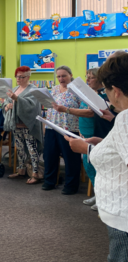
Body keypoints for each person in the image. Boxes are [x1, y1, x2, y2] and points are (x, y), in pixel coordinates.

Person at [64, 53, 128, 261]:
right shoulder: (122, 117)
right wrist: (104, 144)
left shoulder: (125, 118)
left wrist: (87, 149)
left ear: (116, 92)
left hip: (123, 217)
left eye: (108, 93)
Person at [51, 68, 104, 210]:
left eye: (91, 78)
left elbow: (91, 113)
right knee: (88, 166)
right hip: (83, 133)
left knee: (97, 166)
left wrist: (66, 110)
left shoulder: (101, 95)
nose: (88, 80)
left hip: (94, 133)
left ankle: (103, 198)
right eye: (87, 77)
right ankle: (98, 195)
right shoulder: (88, 93)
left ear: (99, 79)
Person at [42, 66, 81, 194]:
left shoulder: (77, 90)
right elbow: (49, 107)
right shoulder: (53, 89)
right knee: (49, 155)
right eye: (58, 76)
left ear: (70, 75)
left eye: (64, 76)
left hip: (69, 128)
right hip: (51, 126)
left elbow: (83, 109)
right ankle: (49, 181)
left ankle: (71, 186)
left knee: (70, 158)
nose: (61, 79)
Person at [3, 66, 44, 184]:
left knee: (32, 148)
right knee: (20, 147)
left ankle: (35, 173)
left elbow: (32, 106)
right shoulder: (15, 88)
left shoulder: (33, 89)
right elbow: (7, 102)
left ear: (28, 76)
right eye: (17, 76)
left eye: (21, 77)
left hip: (28, 125)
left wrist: (16, 99)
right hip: (16, 123)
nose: (18, 79)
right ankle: (21, 169)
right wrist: (7, 106)